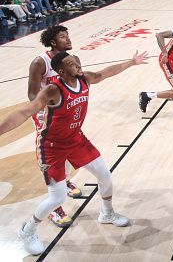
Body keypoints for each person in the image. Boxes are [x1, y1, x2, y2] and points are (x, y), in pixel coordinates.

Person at [0, 50, 149, 256]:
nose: (77, 64)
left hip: (77, 140)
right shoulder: (53, 90)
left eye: (76, 60)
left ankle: (107, 213)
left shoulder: (85, 78)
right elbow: (26, 111)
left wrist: (131, 62)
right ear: (61, 71)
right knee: (57, 198)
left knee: (105, 176)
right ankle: (28, 230)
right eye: (71, 63)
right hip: (52, 147)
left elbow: (105, 73)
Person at [28, 25, 82, 228]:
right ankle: (55, 208)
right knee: (52, 157)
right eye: (62, 37)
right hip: (47, 117)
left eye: (68, 35)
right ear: (52, 42)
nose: (68, 39)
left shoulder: (72, 59)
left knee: (69, 150)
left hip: (66, 113)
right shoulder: (40, 62)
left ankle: (64, 181)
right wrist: (47, 112)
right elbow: (33, 94)